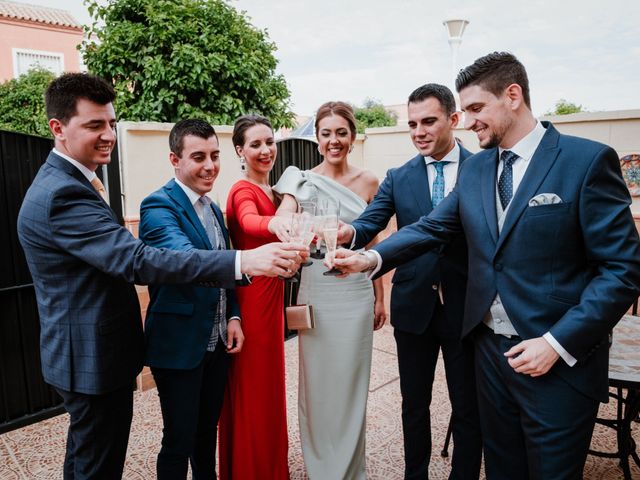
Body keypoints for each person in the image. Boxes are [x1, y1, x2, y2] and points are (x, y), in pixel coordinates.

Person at [333, 51, 640, 479]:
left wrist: (556, 343)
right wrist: (370, 257)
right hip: (489, 355)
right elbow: (431, 227)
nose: (469, 120)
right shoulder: (477, 169)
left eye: (477, 109)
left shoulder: (585, 161)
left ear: (512, 95)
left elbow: (622, 270)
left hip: (555, 359)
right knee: (500, 468)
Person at [16, 73, 305, 480]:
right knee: (108, 460)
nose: (108, 135)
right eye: (94, 125)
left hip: (167, 346)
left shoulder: (74, 183)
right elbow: (141, 260)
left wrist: (234, 314)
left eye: (111, 124)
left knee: (101, 457)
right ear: (58, 129)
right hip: (93, 355)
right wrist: (245, 262)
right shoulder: (67, 193)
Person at [338, 84, 482, 479]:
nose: (418, 131)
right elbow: (373, 220)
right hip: (413, 305)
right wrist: (345, 233)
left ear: (454, 120)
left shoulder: (482, 169)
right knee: (413, 404)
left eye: (429, 121)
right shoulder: (398, 177)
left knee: (468, 406)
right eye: (412, 123)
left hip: (466, 307)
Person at [272, 101, 386, 479]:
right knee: (318, 385)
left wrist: (380, 297)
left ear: (352, 136)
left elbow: (378, 242)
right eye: (325, 133)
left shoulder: (370, 181)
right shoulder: (300, 178)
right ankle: (321, 467)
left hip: (356, 291)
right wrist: (289, 223)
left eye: (341, 132)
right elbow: (283, 214)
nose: (333, 140)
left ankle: (350, 470)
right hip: (316, 291)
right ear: (316, 138)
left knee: (353, 384)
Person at [138, 119, 243, 479]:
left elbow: (223, 265)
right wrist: (248, 261)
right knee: (178, 440)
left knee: (205, 434)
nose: (210, 165)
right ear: (175, 159)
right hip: (178, 346)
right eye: (198, 157)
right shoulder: (157, 207)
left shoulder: (212, 207)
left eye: (215, 155)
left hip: (216, 347)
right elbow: (185, 261)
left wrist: (233, 316)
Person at [218, 114, 292, 479]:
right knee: (255, 389)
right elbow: (248, 222)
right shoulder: (242, 189)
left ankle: (269, 464)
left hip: (272, 297)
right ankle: (251, 468)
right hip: (251, 301)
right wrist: (275, 223)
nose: (265, 151)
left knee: (269, 389)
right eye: (255, 144)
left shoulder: (274, 191)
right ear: (240, 151)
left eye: (269, 142)